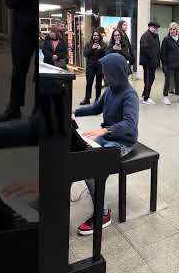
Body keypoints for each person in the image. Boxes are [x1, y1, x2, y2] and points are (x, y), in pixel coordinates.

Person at [73, 53, 139, 235]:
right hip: (108, 136)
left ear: (116, 72)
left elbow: (130, 124)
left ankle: (103, 214)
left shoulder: (129, 94)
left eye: (106, 73)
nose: (104, 76)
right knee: (83, 153)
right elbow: (96, 108)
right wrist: (74, 113)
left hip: (123, 142)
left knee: (94, 170)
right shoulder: (110, 90)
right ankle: (96, 191)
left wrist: (104, 131)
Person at [0, 0, 39, 123]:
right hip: (22, 32)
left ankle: (39, 109)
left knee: (40, 73)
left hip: (40, 34)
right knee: (19, 71)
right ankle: (14, 107)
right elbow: (10, 1)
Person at [161, 22, 179, 105]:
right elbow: (163, 54)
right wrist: (164, 65)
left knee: (178, 81)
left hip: (178, 64)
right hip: (169, 65)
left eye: (174, 29)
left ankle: (178, 95)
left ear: (177, 30)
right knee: (168, 81)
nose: (172, 31)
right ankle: (165, 97)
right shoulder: (166, 39)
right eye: (171, 29)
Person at [80, 30, 107, 105]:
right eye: (94, 35)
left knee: (98, 83)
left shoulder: (103, 44)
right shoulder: (88, 44)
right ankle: (87, 98)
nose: (96, 37)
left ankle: (97, 98)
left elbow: (106, 54)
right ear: (92, 36)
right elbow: (85, 54)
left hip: (100, 66)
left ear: (99, 36)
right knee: (89, 82)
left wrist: (100, 49)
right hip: (90, 66)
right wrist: (91, 48)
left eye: (97, 35)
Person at [139, 21, 161, 104]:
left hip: (153, 63)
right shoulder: (146, 35)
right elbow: (145, 48)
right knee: (148, 80)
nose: (156, 29)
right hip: (148, 63)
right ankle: (146, 98)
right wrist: (151, 57)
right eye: (154, 28)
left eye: (157, 28)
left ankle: (144, 94)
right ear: (149, 27)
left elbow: (157, 47)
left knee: (151, 79)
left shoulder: (155, 35)